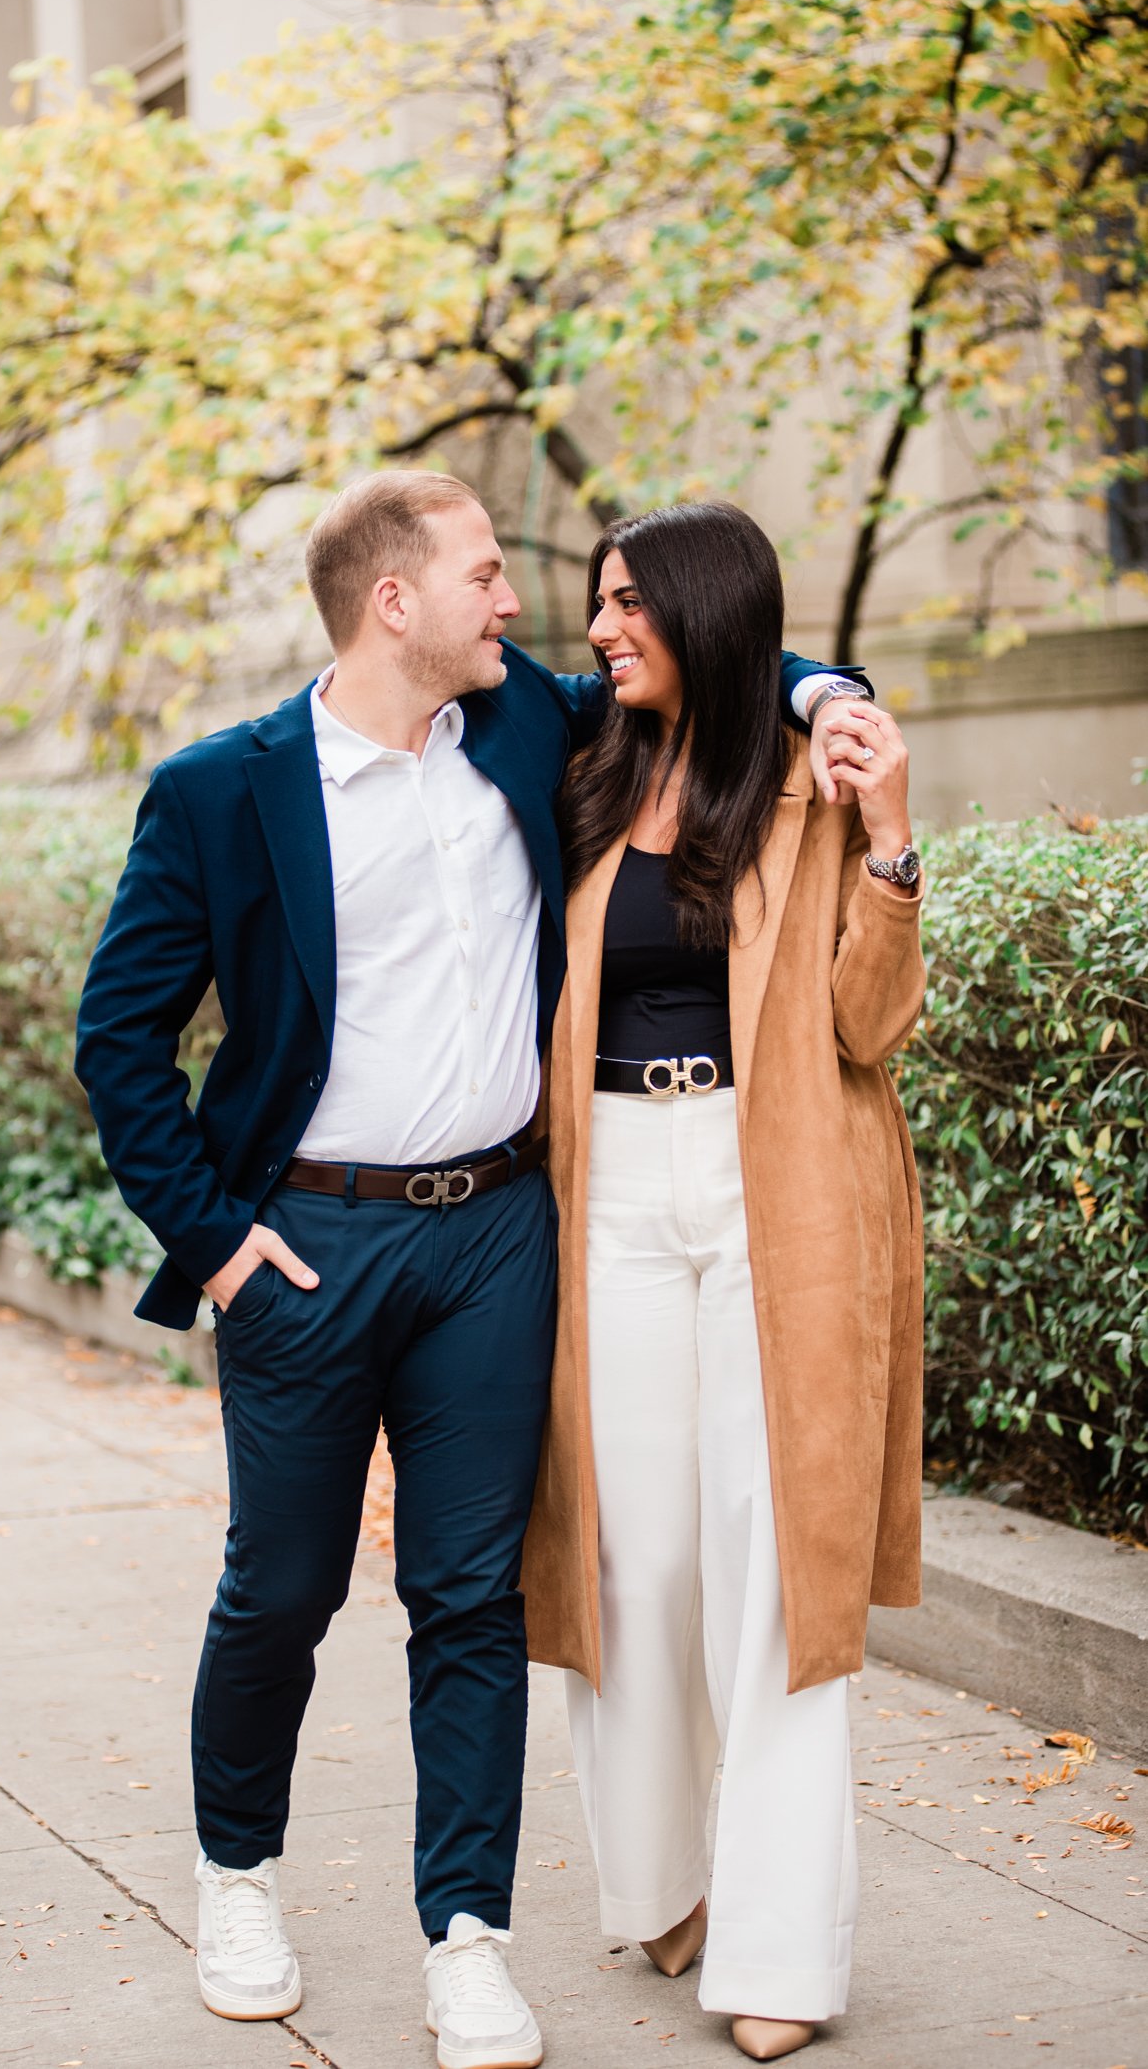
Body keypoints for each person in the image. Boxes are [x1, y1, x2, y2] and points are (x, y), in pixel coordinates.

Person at [75, 471, 863, 2069]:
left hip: (501, 1236)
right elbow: (118, 1045)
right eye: (489, 576)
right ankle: (238, 1877)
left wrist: (834, 687)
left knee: (469, 1602)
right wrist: (217, 1242)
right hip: (310, 1247)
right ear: (394, 604)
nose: (520, 608)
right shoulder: (222, 793)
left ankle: (467, 1937)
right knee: (280, 1589)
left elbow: (718, 656)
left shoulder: (520, 728)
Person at [520, 501, 925, 2062]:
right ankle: (664, 1887)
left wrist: (888, 839)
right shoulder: (581, 772)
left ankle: (775, 1954)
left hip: (780, 1191)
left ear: (703, 611)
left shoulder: (814, 785)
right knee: (638, 1563)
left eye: (630, 604)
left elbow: (869, 1029)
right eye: (595, 602)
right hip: (610, 1187)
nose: (604, 628)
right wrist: (822, 680)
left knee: (776, 1573)